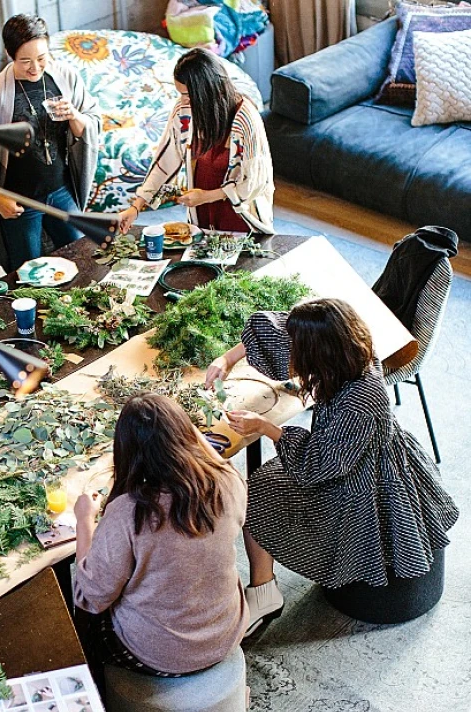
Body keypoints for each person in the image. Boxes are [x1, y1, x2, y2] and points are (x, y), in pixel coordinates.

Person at [206, 298, 459, 635]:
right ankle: (263, 587)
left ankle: (263, 593)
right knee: (260, 483)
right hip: (347, 453)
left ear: (320, 354)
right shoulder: (349, 348)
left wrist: (266, 427)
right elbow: (277, 329)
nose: (292, 354)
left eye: (299, 351)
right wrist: (227, 358)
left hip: (359, 481)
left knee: (254, 497)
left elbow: (319, 465)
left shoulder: (361, 402)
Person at [73, 393, 248, 677]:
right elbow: (214, 460)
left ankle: (104, 705)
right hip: (226, 631)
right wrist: (179, 424)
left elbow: (91, 597)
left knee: (87, 620)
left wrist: (84, 520)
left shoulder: (128, 512)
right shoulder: (227, 481)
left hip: (160, 654)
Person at [0, 13, 101, 273]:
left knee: (82, 260)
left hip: (61, 190)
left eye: (42, 58)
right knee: (28, 273)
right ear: (9, 54)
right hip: (18, 200)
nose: (35, 68)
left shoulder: (65, 77)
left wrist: (74, 116)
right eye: (25, 61)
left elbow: (92, 121)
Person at [117, 48, 274, 235]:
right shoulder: (184, 111)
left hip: (241, 217)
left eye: (187, 95)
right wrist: (136, 207)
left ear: (206, 92)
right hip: (201, 214)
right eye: (180, 94)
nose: (182, 101)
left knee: (241, 262)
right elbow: (165, 158)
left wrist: (208, 196)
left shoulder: (245, 118)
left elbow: (254, 182)